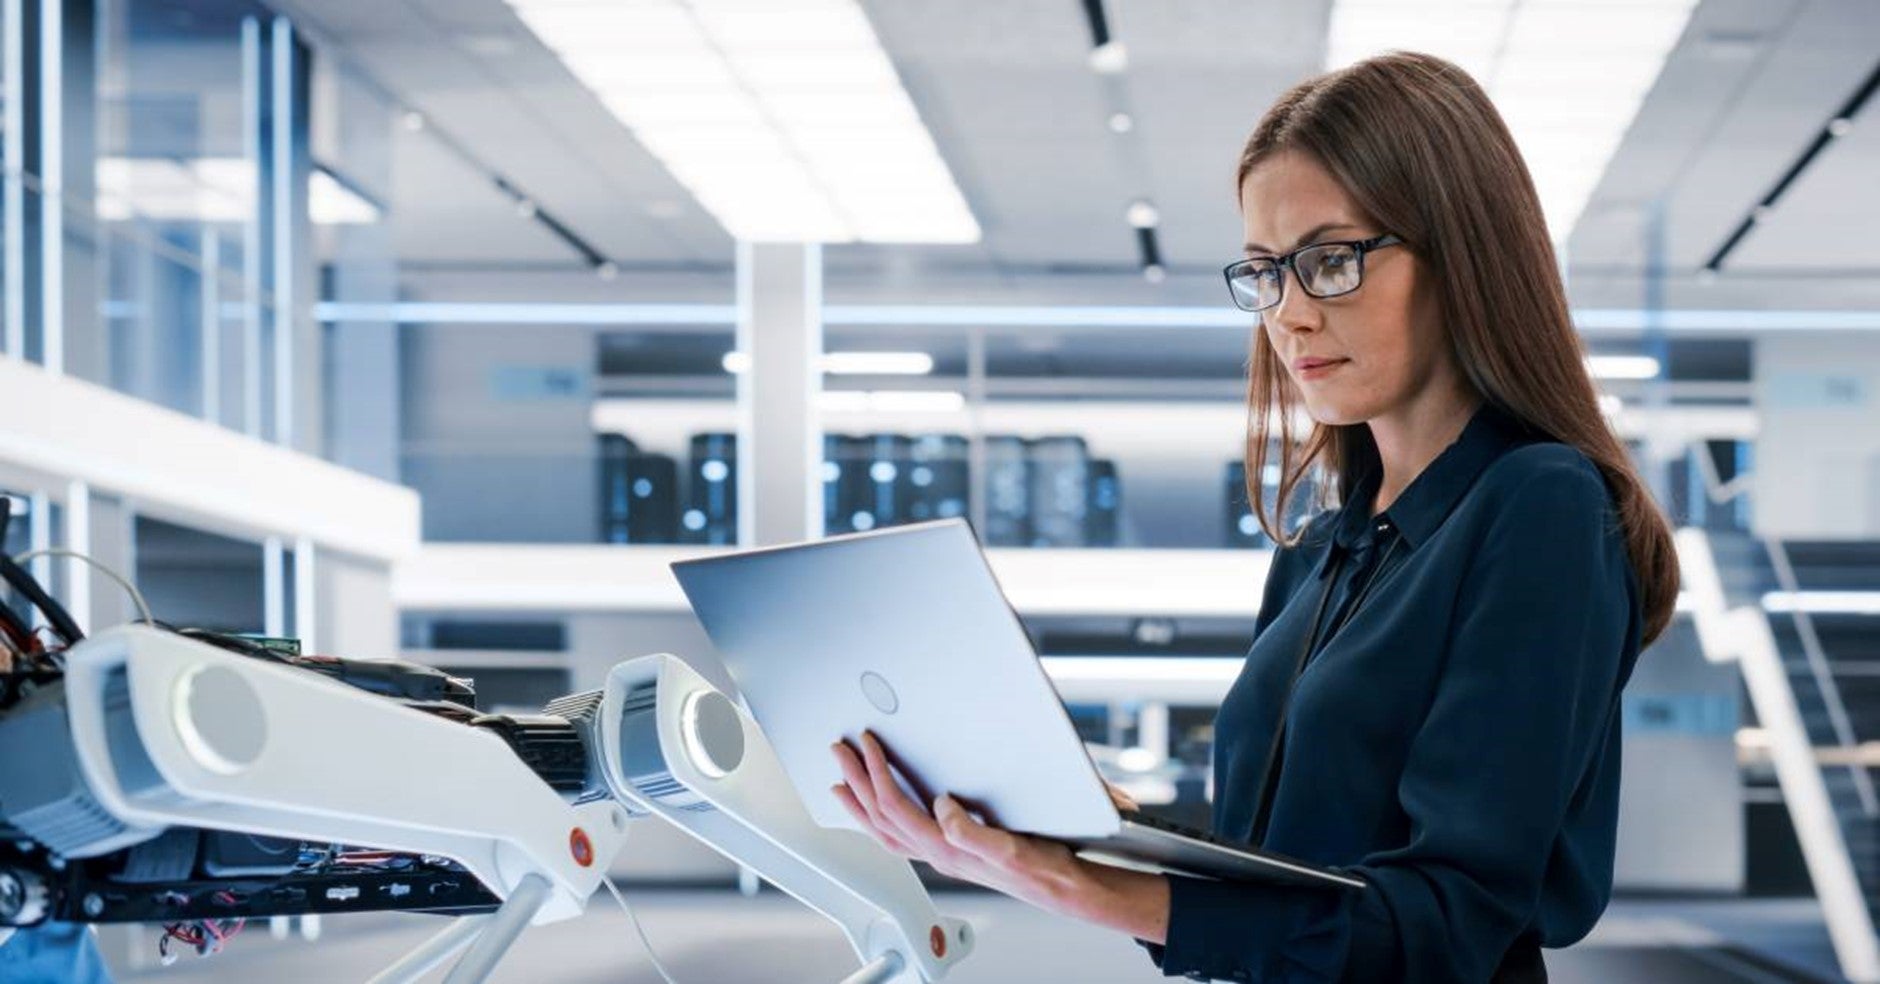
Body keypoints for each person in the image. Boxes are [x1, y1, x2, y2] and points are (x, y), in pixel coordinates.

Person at [829, 50, 1679, 983]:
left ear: (1461, 252)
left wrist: (1077, 887)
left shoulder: (1542, 505)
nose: (1291, 315)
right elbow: (1275, 864)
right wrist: (1073, 822)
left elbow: (1450, 921)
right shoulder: (1323, 548)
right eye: (1268, 271)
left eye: (1330, 261)